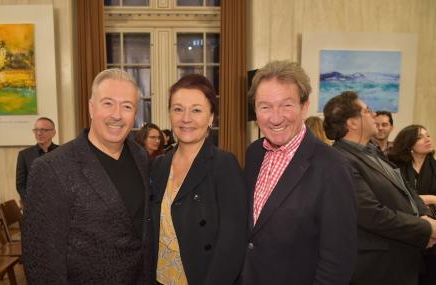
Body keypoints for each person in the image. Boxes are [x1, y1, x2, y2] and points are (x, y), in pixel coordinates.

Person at [22, 69, 152, 284]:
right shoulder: (51, 168)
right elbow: (41, 261)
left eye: (127, 106)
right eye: (108, 103)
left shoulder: (141, 156)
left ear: (135, 113)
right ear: (92, 107)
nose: (117, 115)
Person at [241, 60, 357, 285]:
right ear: (255, 110)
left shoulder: (333, 167)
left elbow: (338, 262)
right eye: (265, 107)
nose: (275, 118)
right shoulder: (254, 153)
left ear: (304, 106)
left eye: (286, 105)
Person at [323, 91, 436, 285]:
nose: (374, 115)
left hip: (401, 259)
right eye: (367, 111)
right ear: (353, 123)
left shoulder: (372, 151)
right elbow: (372, 214)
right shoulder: (340, 161)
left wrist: (425, 216)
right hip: (376, 268)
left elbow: (405, 188)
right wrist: (424, 228)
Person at [150, 74, 247, 284]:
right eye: (178, 109)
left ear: (211, 117)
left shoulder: (224, 165)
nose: (186, 118)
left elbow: (232, 243)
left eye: (196, 110)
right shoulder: (158, 166)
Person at [388, 124, 436, 285]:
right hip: (405, 231)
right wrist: (432, 198)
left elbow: (409, 196)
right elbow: (395, 198)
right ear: (409, 144)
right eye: (421, 137)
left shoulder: (434, 167)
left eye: (428, 135)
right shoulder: (394, 168)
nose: (427, 139)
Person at [16, 117, 58, 199]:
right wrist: (31, 203)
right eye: (36, 130)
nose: (39, 133)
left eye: (44, 130)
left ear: (53, 133)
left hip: (59, 204)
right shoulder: (24, 155)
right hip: (34, 205)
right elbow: (20, 185)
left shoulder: (62, 152)